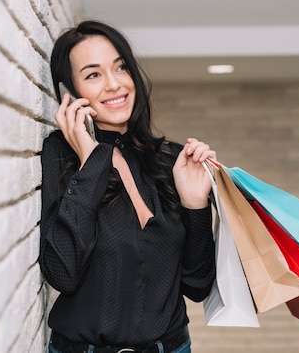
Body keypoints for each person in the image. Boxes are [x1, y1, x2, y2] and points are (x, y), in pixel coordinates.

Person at [39, 20, 216, 353]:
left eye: (120, 68)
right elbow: (62, 273)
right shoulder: (59, 155)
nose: (114, 84)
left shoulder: (173, 160)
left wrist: (196, 204)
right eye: (93, 74)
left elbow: (197, 284)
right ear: (69, 94)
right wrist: (90, 162)